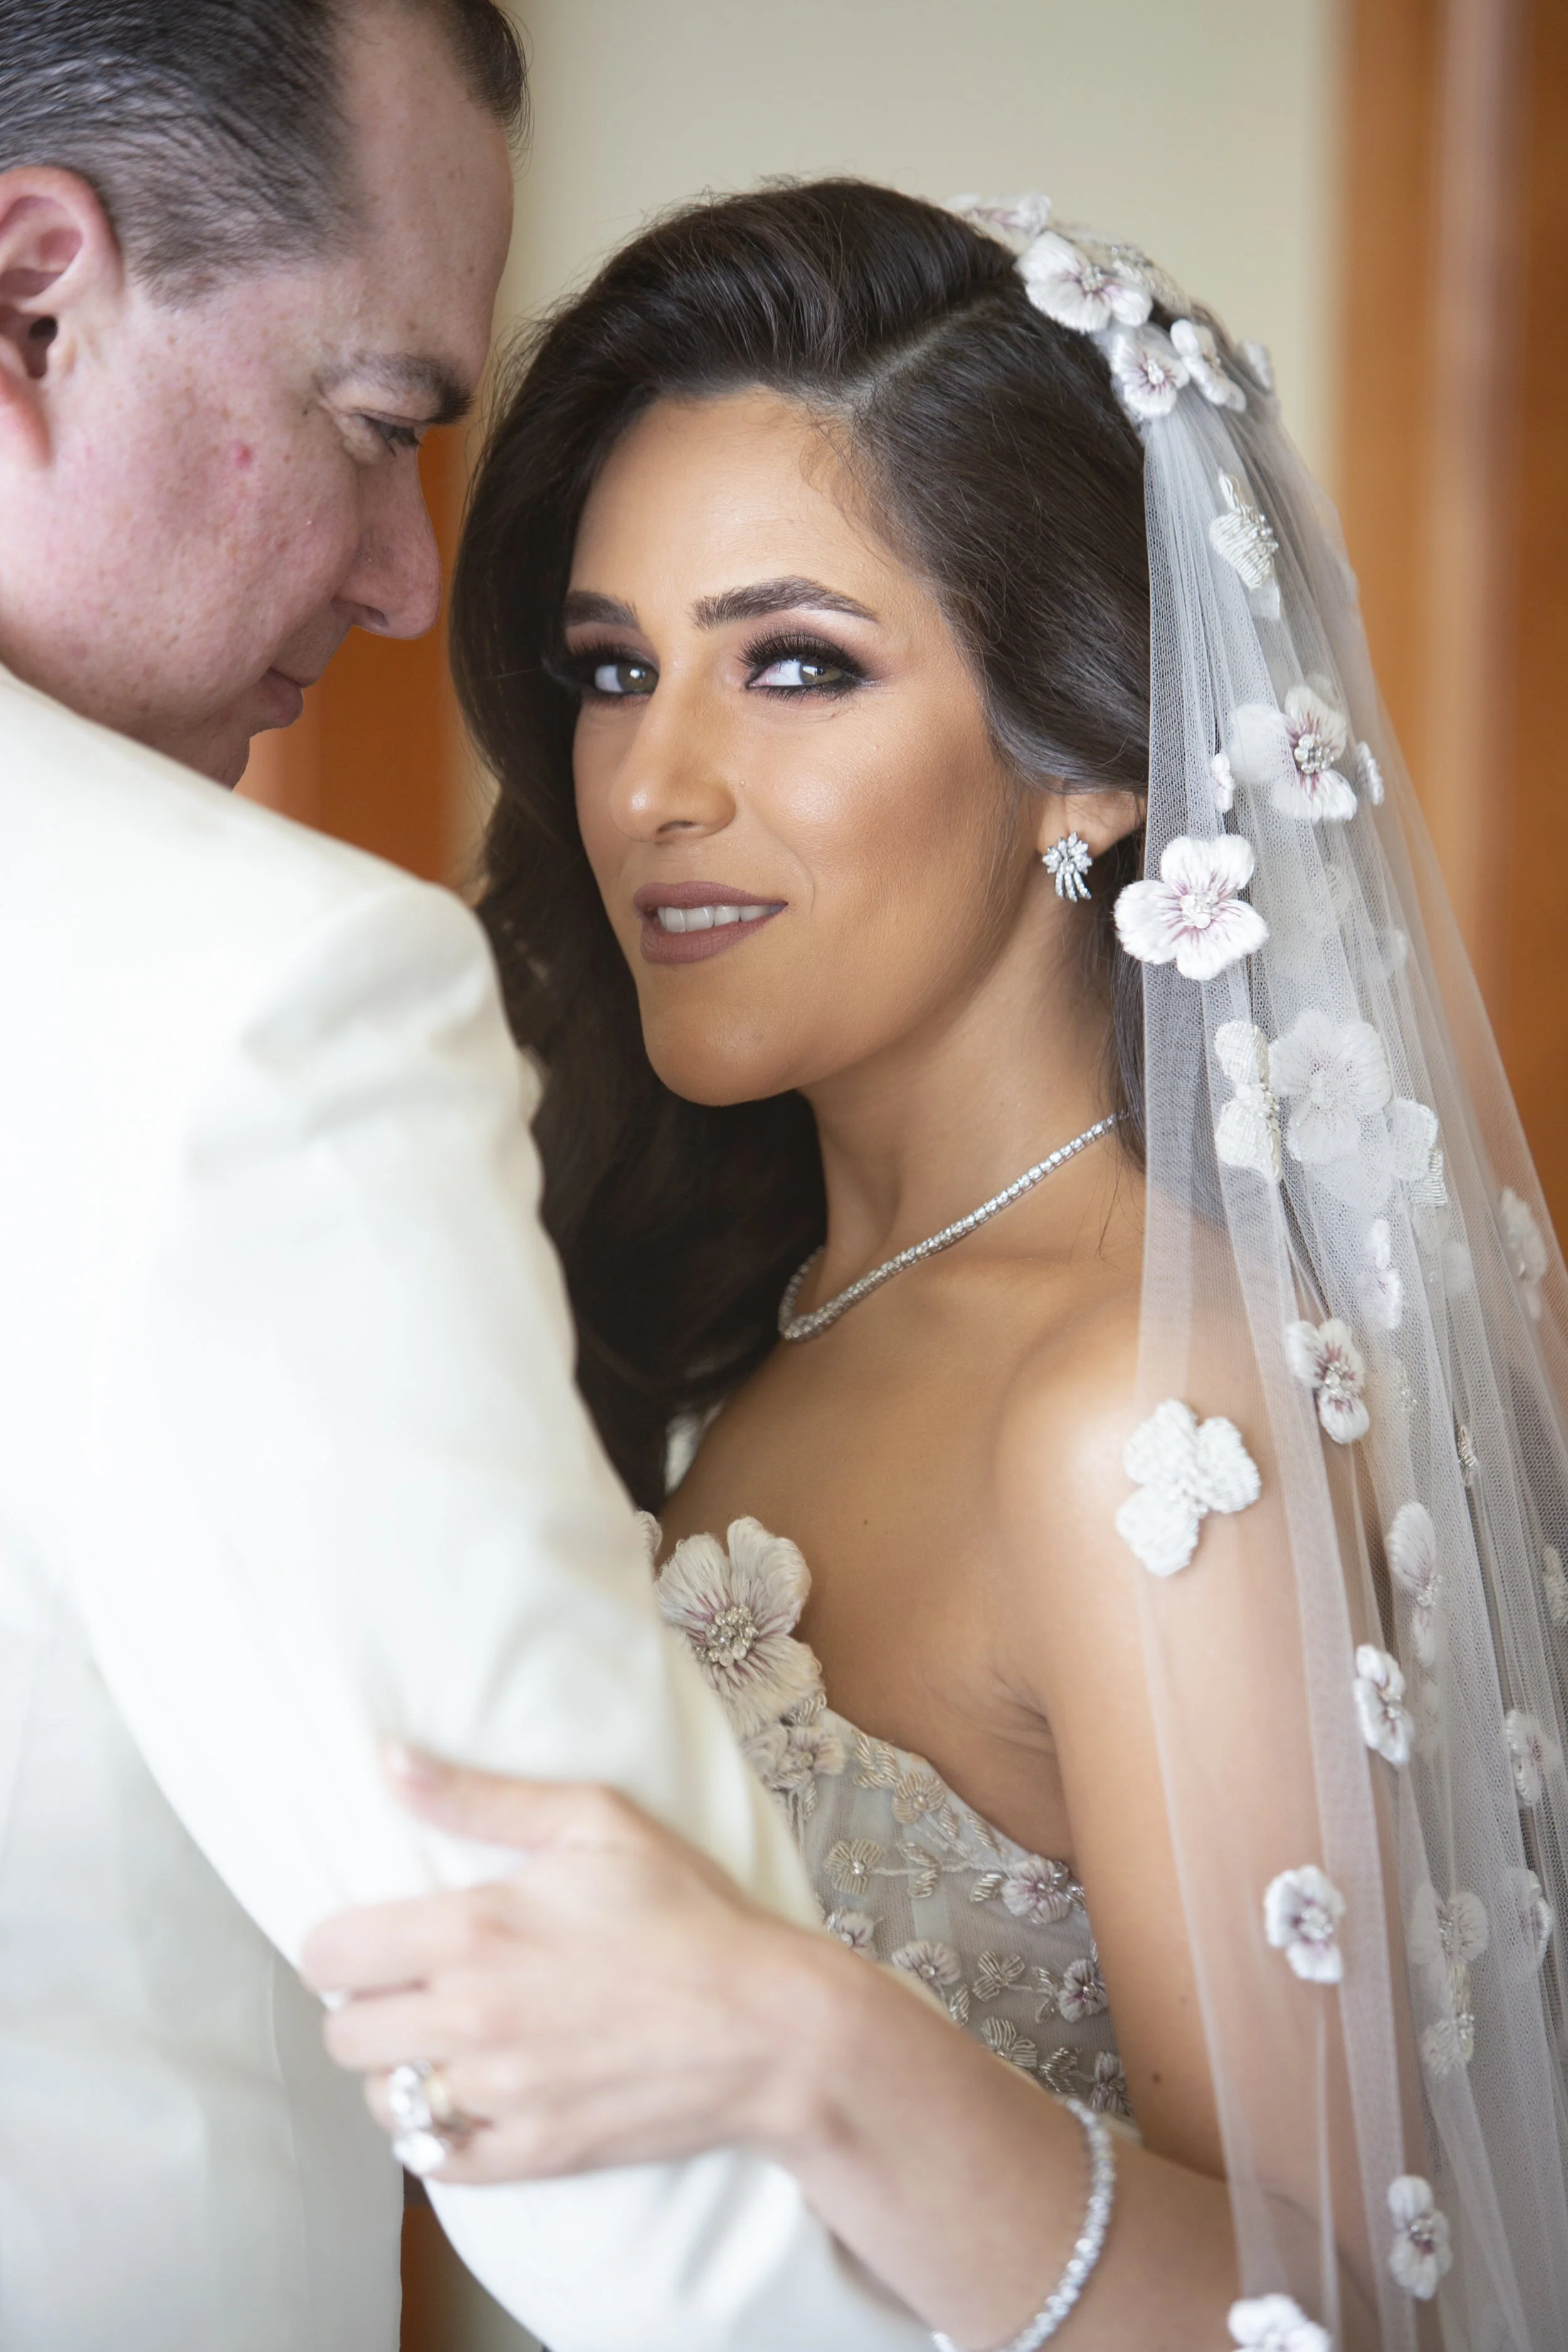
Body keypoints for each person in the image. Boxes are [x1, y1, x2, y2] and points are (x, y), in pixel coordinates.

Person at [307, 183, 1568, 2351]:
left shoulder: (1148, 1421)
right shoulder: (705, 1301)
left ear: (1089, 760)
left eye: (795, 662)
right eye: (615, 669)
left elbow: (1366, 2319)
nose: (652, 786)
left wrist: (807, 2044)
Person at [0, 19, 942, 2352]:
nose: (411, 588)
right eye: (378, 423)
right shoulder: (249, 1000)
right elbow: (685, 2217)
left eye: (798, 662)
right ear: (33, 299)